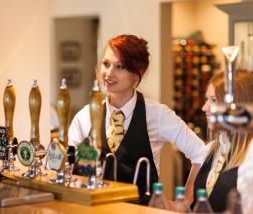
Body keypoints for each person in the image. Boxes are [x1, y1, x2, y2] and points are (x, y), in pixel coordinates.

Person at [68, 34, 206, 204]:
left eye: (120, 67)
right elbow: (68, 168)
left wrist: (184, 201)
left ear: (137, 74)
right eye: (106, 64)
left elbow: (201, 154)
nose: (109, 73)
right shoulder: (84, 117)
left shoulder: (158, 115)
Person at [193, 70, 253, 213]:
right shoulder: (211, 149)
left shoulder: (250, 155)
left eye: (213, 100)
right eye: (206, 99)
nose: (204, 107)